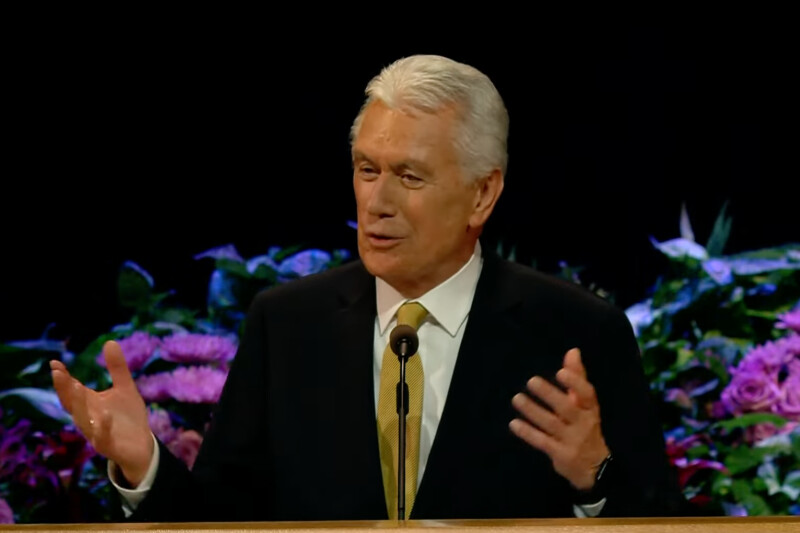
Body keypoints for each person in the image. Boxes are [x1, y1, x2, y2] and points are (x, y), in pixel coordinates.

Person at [51, 54, 686, 521]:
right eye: (366, 169)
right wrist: (145, 465)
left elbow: (664, 520)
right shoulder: (288, 324)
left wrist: (593, 476)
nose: (375, 202)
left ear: (482, 193)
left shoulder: (575, 332)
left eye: (408, 176)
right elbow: (223, 522)